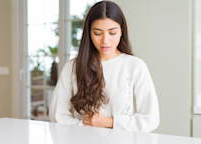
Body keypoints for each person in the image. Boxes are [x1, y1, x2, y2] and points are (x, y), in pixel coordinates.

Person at [49, 1, 159, 133]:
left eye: (112, 33)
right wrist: (87, 126)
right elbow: (56, 115)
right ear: (89, 32)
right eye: (97, 33)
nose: (105, 40)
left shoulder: (135, 66)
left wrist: (108, 122)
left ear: (121, 30)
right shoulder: (72, 67)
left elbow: (151, 119)